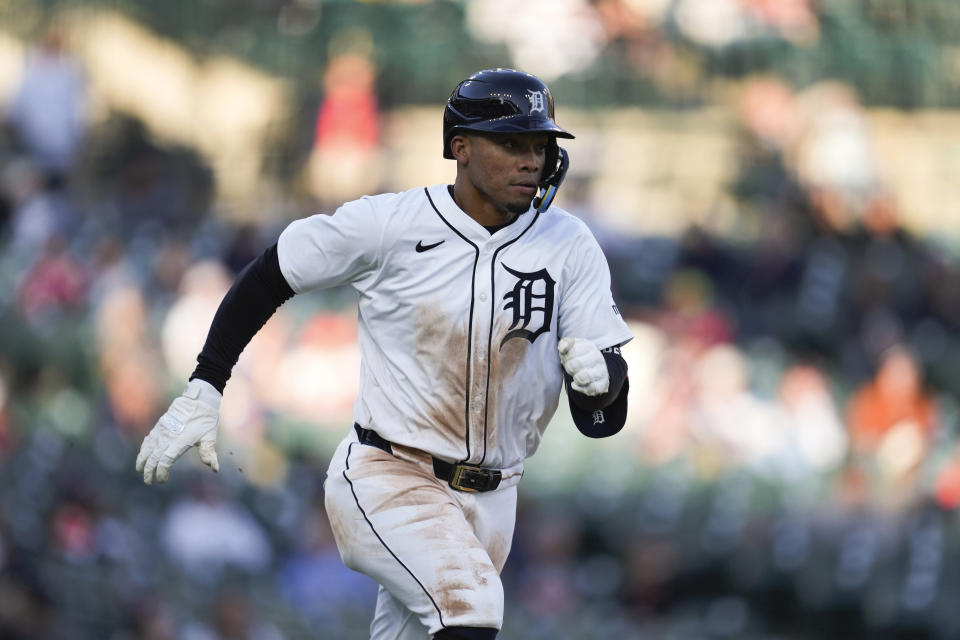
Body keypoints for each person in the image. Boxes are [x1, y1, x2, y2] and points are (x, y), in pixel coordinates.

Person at [136, 68, 632, 640]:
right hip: (388, 471)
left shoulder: (569, 244)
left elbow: (603, 418)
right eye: (512, 143)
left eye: (541, 146)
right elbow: (275, 271)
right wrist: (207, 381)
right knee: (471, 610)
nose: (531, 160)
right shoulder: (392, 224)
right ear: (460, 148)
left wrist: (606, 379)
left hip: (496, 496)